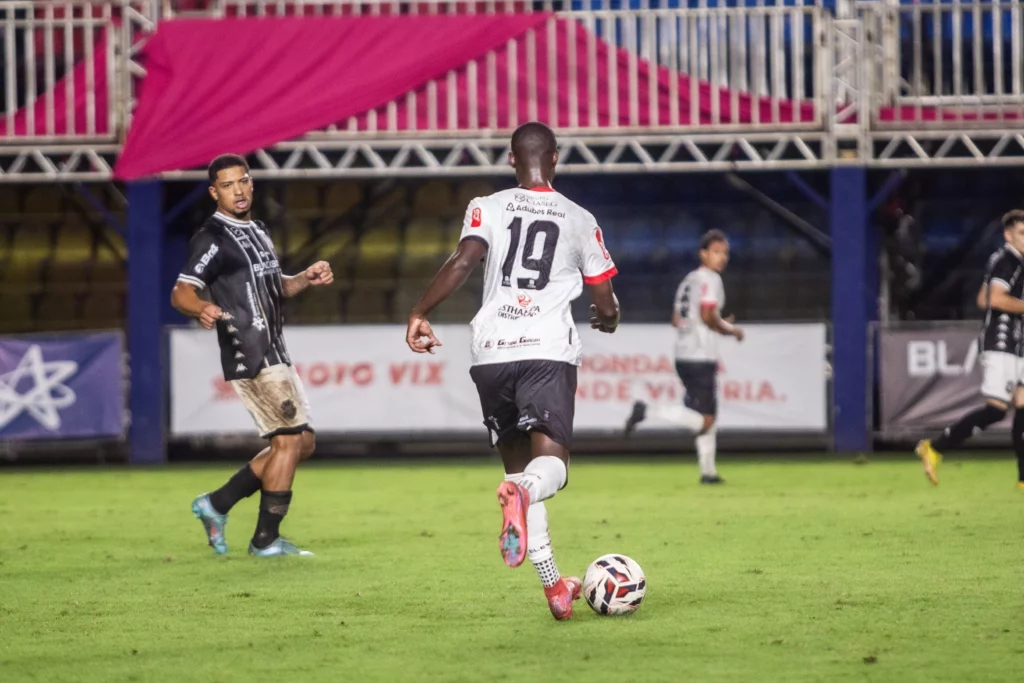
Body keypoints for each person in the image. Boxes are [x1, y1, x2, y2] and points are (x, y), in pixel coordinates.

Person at [405, 122, 620, 620]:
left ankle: (554, 589)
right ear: (557, 158)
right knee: (550, 472)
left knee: (519, 472)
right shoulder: (579, 217)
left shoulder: (489, 205)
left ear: (510, 159)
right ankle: (521, 493)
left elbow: (462, 261)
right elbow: (603, 295)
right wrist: (608, 319)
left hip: (492, 354)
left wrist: (420, 311)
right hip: (545, 351)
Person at [171, 154, 334, 556]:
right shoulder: (212, 237)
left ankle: (217, 503)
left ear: (252, 183)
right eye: (228, 185)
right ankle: (265, 540)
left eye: (243, 181)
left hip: (276, 350)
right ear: (214, 192)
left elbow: (275, 287)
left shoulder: (258, 230)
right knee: (288, 442)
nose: (238, 190)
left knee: (303, 444)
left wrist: (304, 279)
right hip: (251, 352)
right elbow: (181, 291)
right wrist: (201, 308)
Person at [622, 230, 743, 484]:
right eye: (716, 252)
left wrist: (717, 321)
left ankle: (708, 472)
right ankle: (648, 410)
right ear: (703, 254)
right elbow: (708, 315)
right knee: (705, 420)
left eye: (725, 253)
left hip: (684, 353)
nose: (722, 258)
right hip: (700, 355)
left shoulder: (689, 280)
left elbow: (677, 319)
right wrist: (731, 330)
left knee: (706, 414)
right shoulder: (711, 279)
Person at [916, 210, 1024, 488]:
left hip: (1015, 342)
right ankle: (935, 447)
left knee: (1023, 405)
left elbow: (982, 298)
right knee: (997, 410)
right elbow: (996, 299)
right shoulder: (1007, 259)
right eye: (1022, 233)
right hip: (1001, 342)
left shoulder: (1013, 262)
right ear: (1008, 235)